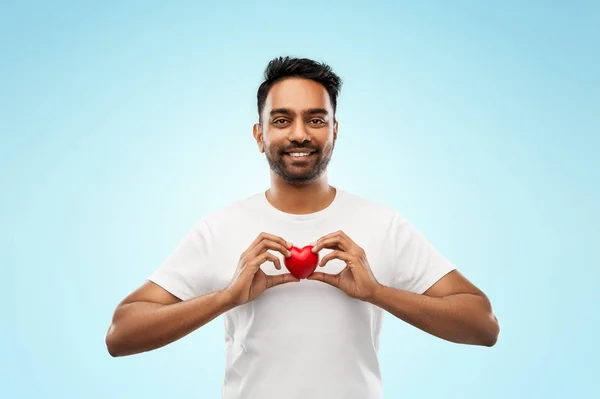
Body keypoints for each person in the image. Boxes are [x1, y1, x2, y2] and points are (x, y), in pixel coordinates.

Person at [105, 56, 500, 399]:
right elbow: (121, 333)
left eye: (316, 119)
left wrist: (376, 292)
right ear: (260, 135)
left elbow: (482, 324)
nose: (299, 133)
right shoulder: (220, 227)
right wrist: (226, 297)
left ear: (334, 132)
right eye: (281, 119)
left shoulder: (383, 224)